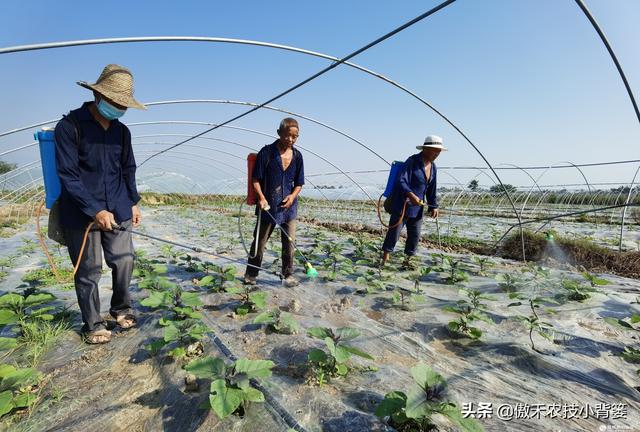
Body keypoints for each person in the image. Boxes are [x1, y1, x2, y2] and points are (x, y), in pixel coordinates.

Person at [54, 64, 146, 344]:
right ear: (99, 96)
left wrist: (133, 201)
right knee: (88, 270)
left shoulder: (122, 133)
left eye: (124, 105)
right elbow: (68, 175)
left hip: (119, 205)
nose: (120, 108)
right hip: (81, 213)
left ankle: (121, 308)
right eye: (116, 103)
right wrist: (95, 210)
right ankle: (92, 323)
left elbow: (128, 168)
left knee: (125, 259)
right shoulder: (69, 127)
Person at [244, 118, 304, 287]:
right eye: (288, 136)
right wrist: (261, 198)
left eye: (295, 137)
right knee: (259, 242)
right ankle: (251, 274)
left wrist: (292, 196)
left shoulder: (298, 156)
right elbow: (255, 179)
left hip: (289, 208)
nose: (291, 140)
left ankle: (288, 275)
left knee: (289, 243)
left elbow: (299, 183)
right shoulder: (267, 153)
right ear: (279, 133)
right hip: (268, 205)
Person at [381, 135, 446, 268]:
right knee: (394, 233)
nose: (437, 154)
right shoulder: (412, 161)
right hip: (402, 205)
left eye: (439, 152)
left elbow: (431, 189)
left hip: (417, 208)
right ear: (426, 149)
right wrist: (411, 195)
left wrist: (434, 206)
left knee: (415, 235)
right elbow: (401, 180)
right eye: (435, 151)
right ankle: (385, 259)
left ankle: (408, 260)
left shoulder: (433, 167)